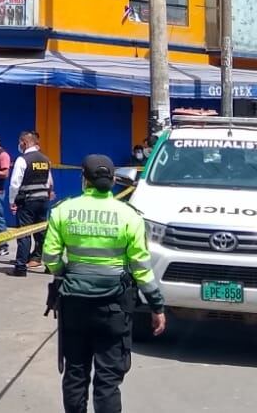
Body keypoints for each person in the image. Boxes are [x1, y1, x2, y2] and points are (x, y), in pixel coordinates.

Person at [43, 153, 166, 413]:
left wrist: (67, 272)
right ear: (112, 181)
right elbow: (141, 267)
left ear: (83, 180)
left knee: (75, 373)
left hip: (74, 304)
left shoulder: (63, 210)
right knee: (108, 380)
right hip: (114, 309)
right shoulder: (129, 216)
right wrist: (156, 306)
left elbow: (50, 257)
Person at [8, 130, 54, 277]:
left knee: (24, 233)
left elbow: (15, 184)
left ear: (25, 142)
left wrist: (12, 201)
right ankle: (49, 265)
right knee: (42, 233)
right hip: (43, 200)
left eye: (20, 142)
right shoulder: (46, 160)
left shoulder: (23, 160)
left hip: (27, 201)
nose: (19, 145)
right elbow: (49, 182)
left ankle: (21, 267)